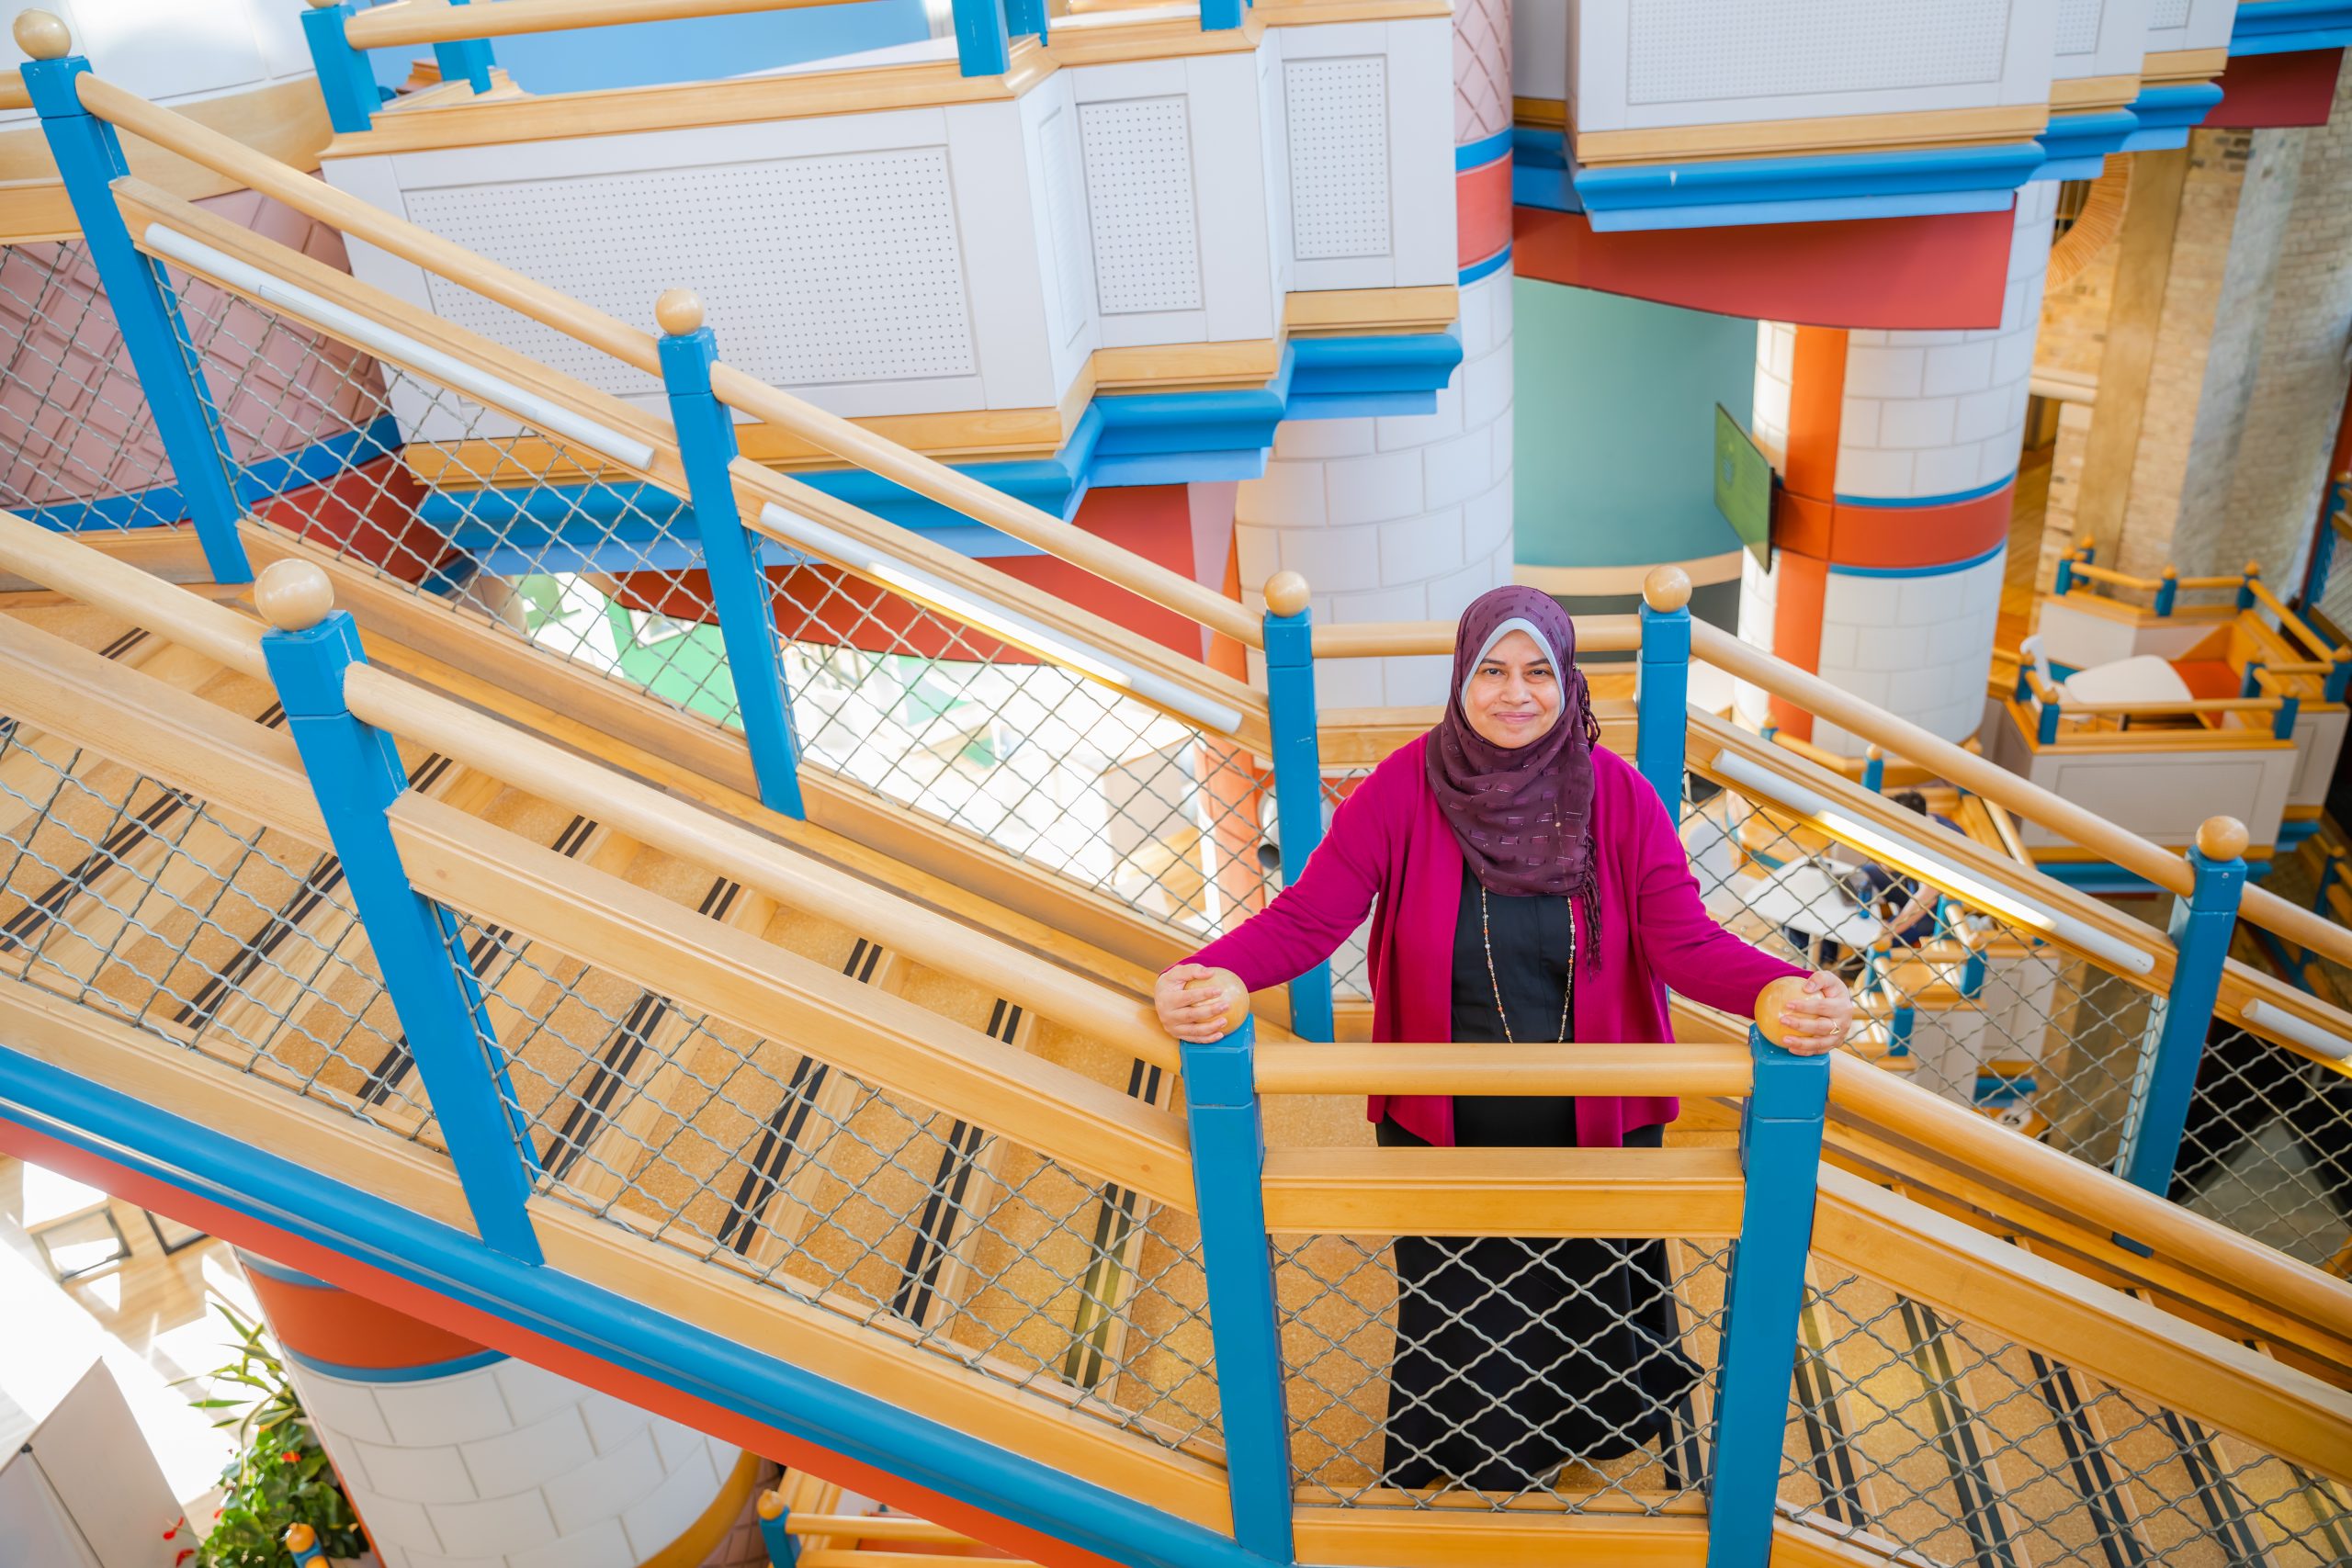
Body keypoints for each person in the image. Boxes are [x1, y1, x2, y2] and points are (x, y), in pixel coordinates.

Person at [1154, 586, 1854, 1495]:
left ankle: (1583, 1432)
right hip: (1449, 1114)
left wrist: (1777, 986)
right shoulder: (1402, 788)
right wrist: (1209, 972)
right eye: (1491, 670)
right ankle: (1478, 1474)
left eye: (1536, 672)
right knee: (1466, 1311)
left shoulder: (1619, 796)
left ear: (1567, 681)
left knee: (1582, 1295)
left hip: (1591, 1112)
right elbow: (1309, 917)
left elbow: (1683, 942)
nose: (1514, 693)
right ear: (1460, 678)